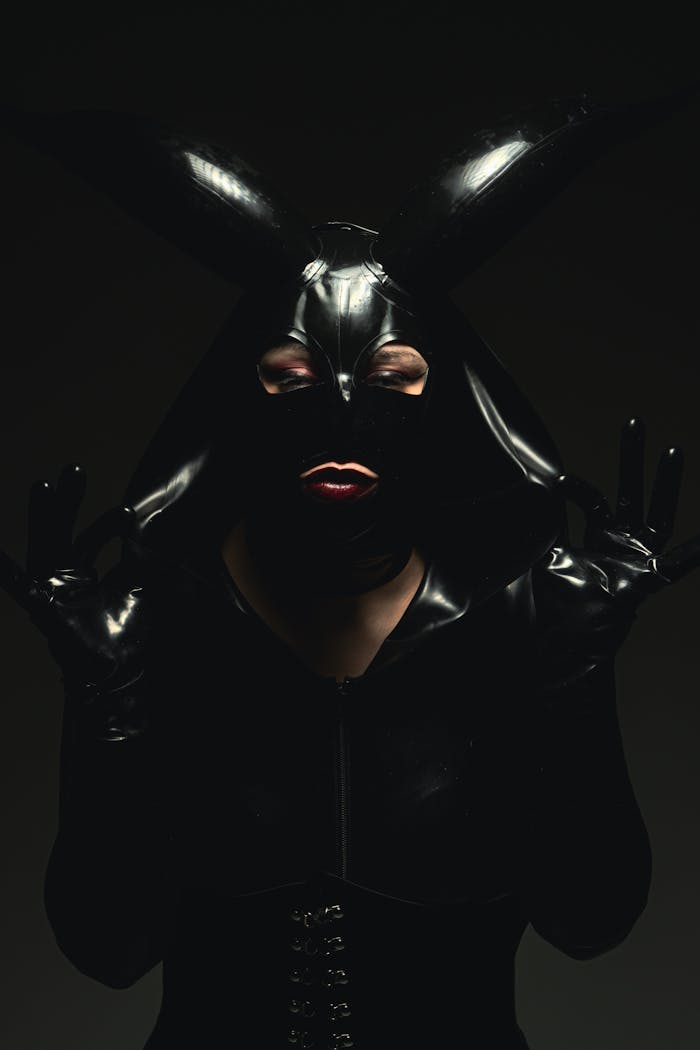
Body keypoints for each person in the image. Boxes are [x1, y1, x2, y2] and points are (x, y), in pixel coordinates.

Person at [2, 90, 699, 1049]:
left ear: (442, 401)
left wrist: (578, 672)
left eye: (391, 375)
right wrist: (106, 700)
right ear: (240, 397)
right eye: (290, 377)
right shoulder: (151, 621)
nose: (338, 408)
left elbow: (591, 922)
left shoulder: (522, 615)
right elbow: (108, 950)